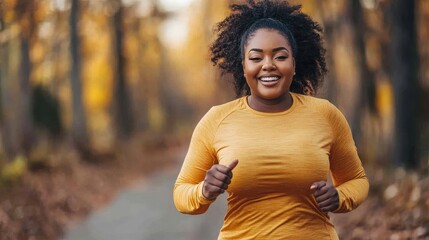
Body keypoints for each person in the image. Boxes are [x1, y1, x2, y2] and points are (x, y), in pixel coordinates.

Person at [173, 0, 369, 239]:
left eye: (280, 56)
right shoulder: (217, 120)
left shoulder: (325, 114)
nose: (268, 65)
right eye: (256, 58)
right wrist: (205, 190)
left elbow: (356, 180)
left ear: (294, 64)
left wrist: (339, 197)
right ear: (243, 67)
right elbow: (181, 194)